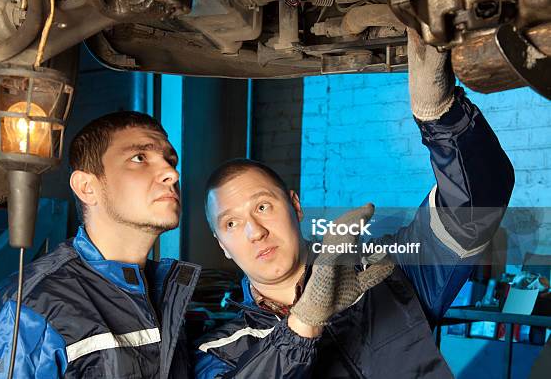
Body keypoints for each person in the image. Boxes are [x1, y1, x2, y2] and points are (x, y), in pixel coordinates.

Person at [194, 30, 515, 378]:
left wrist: (439, 113)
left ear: (296, 207)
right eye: (231, 223)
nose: (254, 231)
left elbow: (478, 202)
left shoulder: (384, 273)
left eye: (262, 207)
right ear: (222, 245)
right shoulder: (220, 352)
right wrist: (303, 323)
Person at [0, 112, 200, 378]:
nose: (171, 173)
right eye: (139, 158)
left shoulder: (164, 292)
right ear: (87, 187)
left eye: (170, 161)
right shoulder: (29, 307)